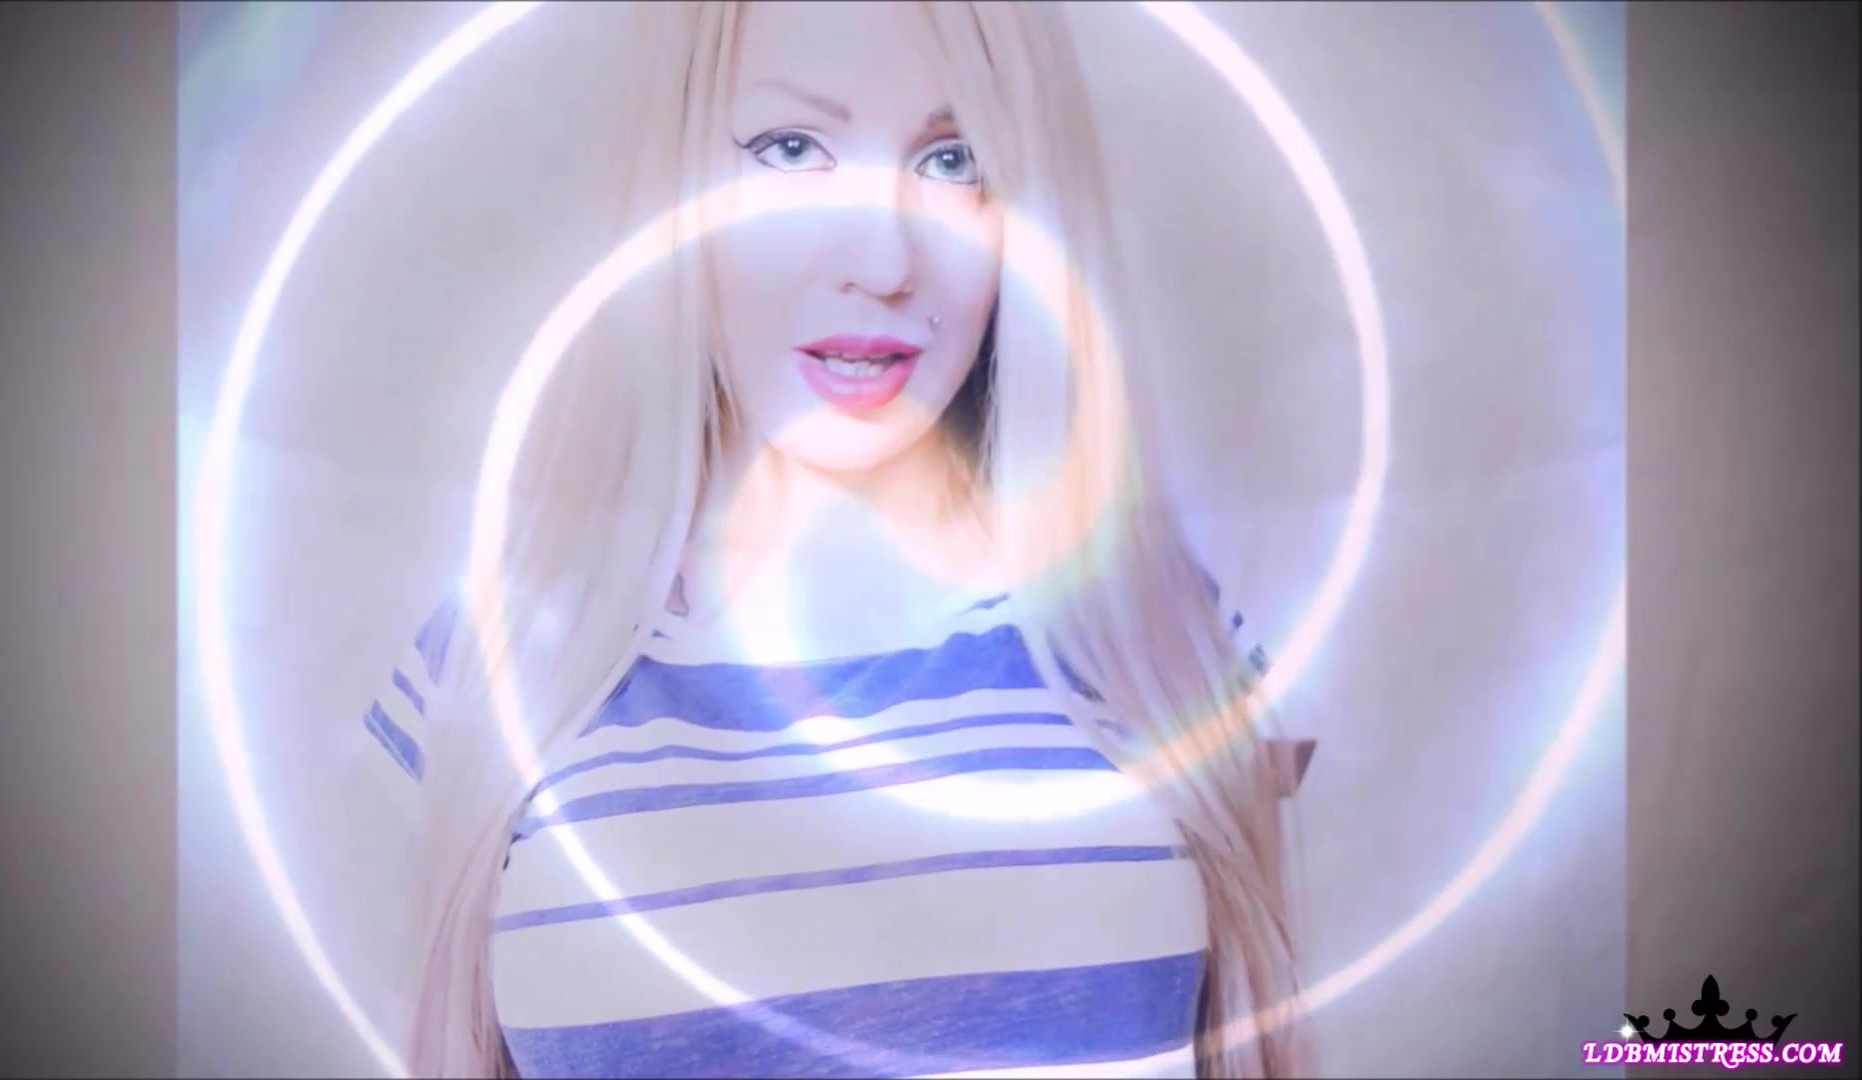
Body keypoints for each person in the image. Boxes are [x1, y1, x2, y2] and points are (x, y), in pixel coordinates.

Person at [365, 2, 1311, 1076]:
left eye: (954, 159)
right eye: (789, 148)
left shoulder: (1159, 638)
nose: (881, 258)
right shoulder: (497, 662)